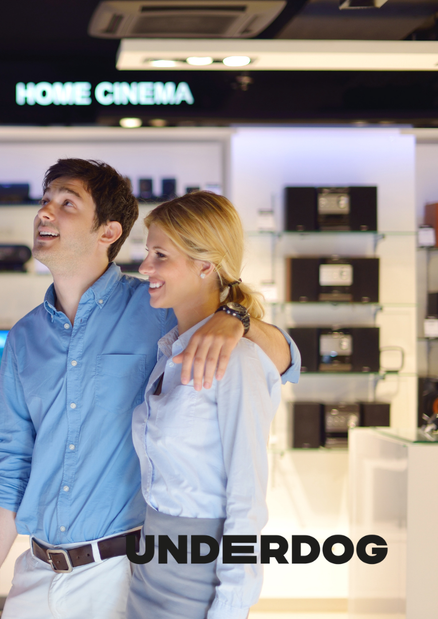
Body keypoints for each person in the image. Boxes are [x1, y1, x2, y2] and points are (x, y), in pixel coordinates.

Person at [0, 160, 299, 619]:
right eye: (45, 201)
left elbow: (284, 359)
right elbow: (12, 462)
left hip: (121, 573)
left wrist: (235, 318)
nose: (45, 212)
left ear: (108, 231)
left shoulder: (158, 305)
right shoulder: (24, 338)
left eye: (66, 203)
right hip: (34, 574)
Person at [127, 192, 280, 619]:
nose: (144, 268)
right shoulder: (168, 351)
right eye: (147, 253)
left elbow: (247, 498)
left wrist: (232, 604)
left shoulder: (241, 361)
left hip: (201, 573)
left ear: (206, 265)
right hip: (148, 564)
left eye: (160, 255)